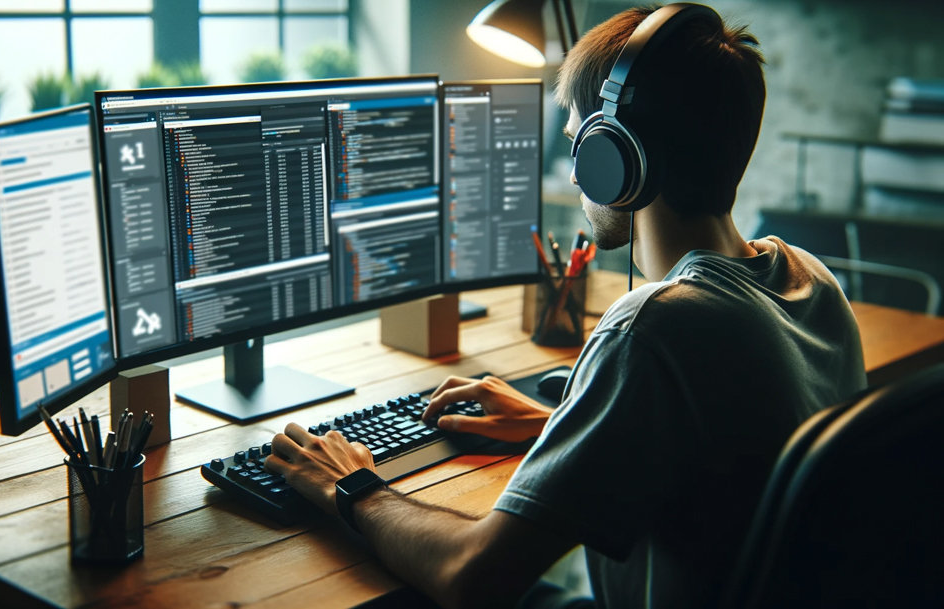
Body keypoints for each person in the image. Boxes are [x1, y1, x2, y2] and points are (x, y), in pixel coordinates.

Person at [264, 4, 868, 608]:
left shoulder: (654, 325)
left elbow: (472, 576)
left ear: (618, 157)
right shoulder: (811, 278)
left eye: (582, 141)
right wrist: (561, 425)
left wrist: (351, 485)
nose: (578, 175)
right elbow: (718, 452)